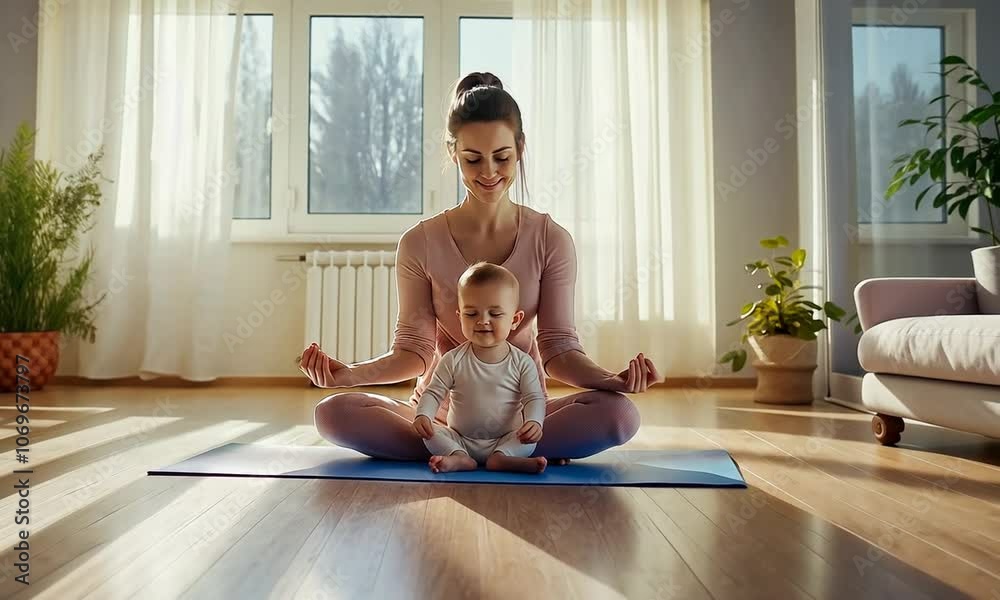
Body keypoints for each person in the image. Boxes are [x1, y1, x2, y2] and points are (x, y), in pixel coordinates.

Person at [302, 71, 661, 463]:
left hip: (523, 419)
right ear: (453, 152)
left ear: (520, 148)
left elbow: (558, 349)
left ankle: (484, 452)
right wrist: (348, 375)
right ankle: (484, 452)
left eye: (502, 157)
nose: (488, 172)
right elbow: (414, 352)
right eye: (473, 159)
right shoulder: (418, 243)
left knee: (619, 415)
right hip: (438, 420)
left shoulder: (550, 239)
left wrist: (610, 380)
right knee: (333, 413)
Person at [412, 261, 548, 474]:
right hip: (459, 438)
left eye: (494, 314)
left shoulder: (522, 362)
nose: (483, 321)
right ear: (460, 317)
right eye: (471, 314)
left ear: (515, 319)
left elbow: (534, 397)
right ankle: (459, 458)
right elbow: (434, 392)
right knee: (431, 434)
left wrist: (534, 422)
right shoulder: (452, 360)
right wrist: (423, 415)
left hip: (507, 438)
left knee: (528, 439)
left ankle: (502, 459)